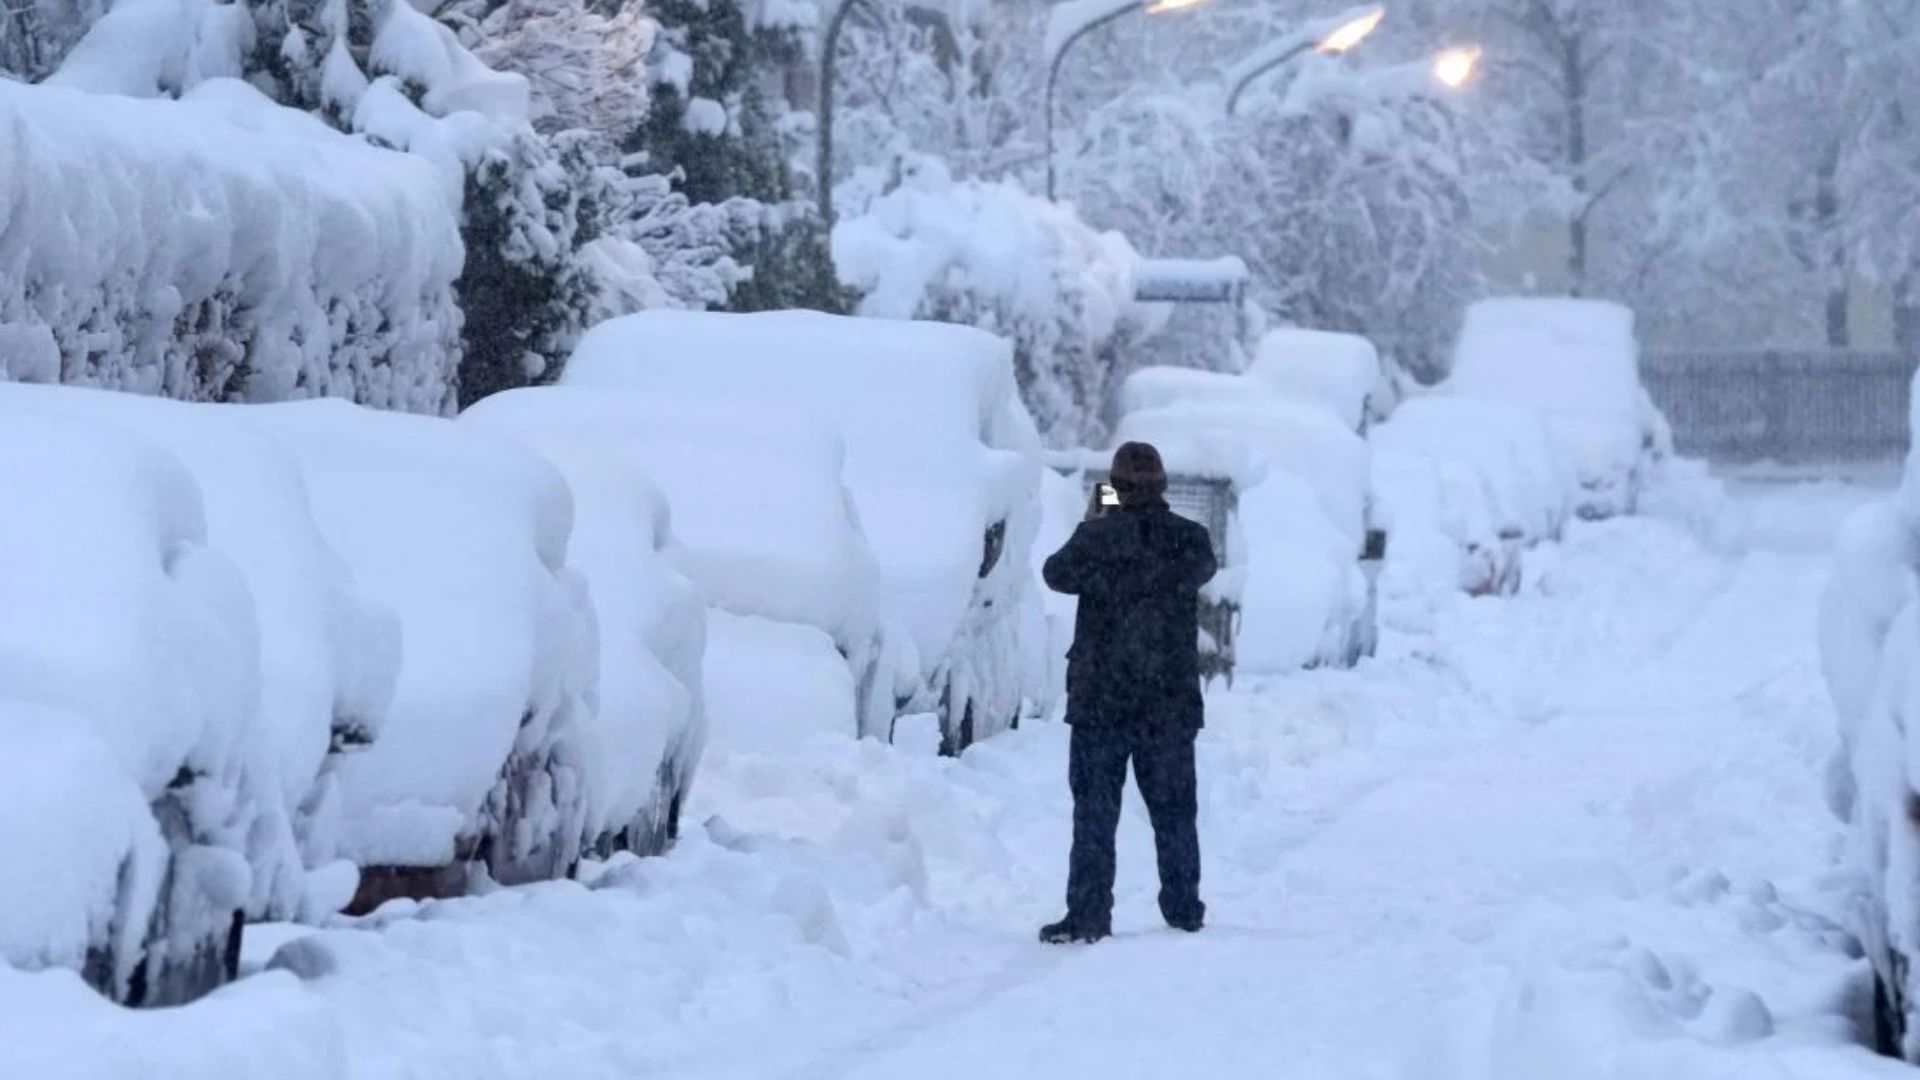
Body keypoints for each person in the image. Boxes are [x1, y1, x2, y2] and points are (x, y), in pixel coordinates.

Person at [1039, 441, 1217, 944]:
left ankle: (1089, 914)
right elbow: (1202, 570)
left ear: (1112, 487)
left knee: (1095, 814)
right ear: (1164, 487)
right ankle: (1184, 909)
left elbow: (1056, 574)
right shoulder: (1189, 539)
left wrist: (1096, 520)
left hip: (1102, 704)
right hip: (1168, 704)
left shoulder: (1098, 539)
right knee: (1175, 812)